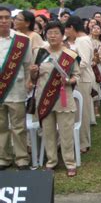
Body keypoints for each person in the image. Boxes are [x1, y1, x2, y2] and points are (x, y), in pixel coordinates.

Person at [30, 21, 80, 177]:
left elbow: (76, 76)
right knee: (48, 132)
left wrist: (69, 81)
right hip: (44, 98)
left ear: (62, 35)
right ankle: (51, 161)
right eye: (49, 33)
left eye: (56, 33)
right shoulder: (40, 53)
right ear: (45, 35)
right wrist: (33, 72)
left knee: (66, 133)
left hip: (64, 99)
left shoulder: (70, 55)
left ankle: (70, 163)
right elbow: (34, 78)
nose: (52, 36)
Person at [0, 6, 31, 170]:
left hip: (17, 89)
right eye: (0, 18)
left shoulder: (22, 40)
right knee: (1, 127)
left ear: (11, 19)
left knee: (18, 127)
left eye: (6, 17)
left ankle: (21, 158)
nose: (3, 21)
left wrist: (28, 82)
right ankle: (4, 158)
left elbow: (27, 65)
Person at [65, 16, 94, 152]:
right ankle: (80, 140)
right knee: (79, 112)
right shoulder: (82, 39)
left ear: (72, 27)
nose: (65, 32)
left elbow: (84, 62)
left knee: (83, 112)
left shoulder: (82, 40)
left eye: (66, 28)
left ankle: (83, 142)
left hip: (82, 79)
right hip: (80, 79)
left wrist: (67, 68)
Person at [89, 21, 101, 117]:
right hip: (88, 65)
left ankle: (96, 108)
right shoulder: (87, 41)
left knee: (96, 85)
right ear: (91, 30)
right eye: (94, 28)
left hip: (97, 66)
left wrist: (97, 61)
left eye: (98, 28)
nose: (96, 30)